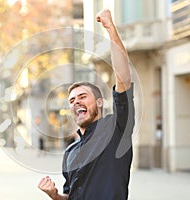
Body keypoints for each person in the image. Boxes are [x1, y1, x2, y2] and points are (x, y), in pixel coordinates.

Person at [38, 9, 135, 200]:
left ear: (99, 102)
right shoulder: (69, 153)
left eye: (82, 96)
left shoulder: (116, 129)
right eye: (72, 100)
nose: (76, 102)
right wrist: (55, 195)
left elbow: (123, 78)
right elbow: (71, 196)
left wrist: (110, 29)